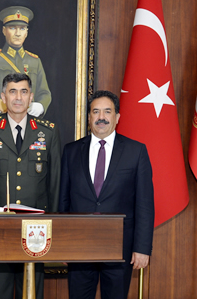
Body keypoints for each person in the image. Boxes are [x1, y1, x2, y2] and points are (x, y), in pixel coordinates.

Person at [58, 90, 154, 299]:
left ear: (117, 117)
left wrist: (142, 248)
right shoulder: (71, 151)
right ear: (89, 117)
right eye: (96, 112)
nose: (101, 117)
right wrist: (61, 244)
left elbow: (145, 205)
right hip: (79, 249)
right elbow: (63, 201)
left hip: (120, 250)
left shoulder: (136, 151)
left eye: (107, 112)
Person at [0, 73, 60, 299]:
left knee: (30, 291)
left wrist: (55, 223)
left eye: (23, 91)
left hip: (36, 230)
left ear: (31, 97)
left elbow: (55, 184)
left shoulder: (49, 132)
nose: (18, 97)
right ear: (3, 96)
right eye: (12, 91)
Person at [0, 6, 51, 118]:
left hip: (27, 123)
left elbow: (45, 93)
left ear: (26, 32)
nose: (17, 33)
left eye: (22, 28)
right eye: (12, 28)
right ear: (4, 31)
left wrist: (40, 106)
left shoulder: (34, 61)